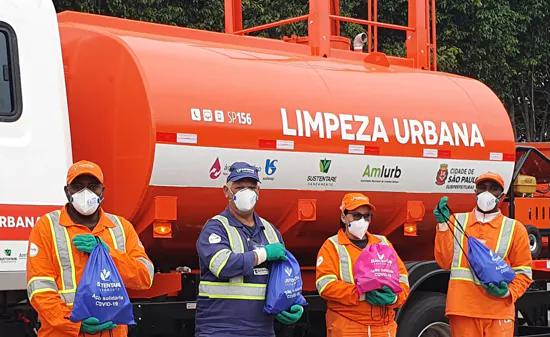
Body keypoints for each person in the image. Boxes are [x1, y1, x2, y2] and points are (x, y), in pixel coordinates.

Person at [26, 160, 155, 337]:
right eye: (77, 186)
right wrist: (72, 322)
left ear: (103, 191)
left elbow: (145, 277)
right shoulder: (47, 227)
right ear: (67, 191)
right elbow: (39, 288)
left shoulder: (121, 227)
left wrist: (107, 254)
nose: (85, 193)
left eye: (93, 186)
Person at [195, 162, 304, 337]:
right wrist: (263, 254)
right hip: (220, 330)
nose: (246, 192)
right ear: (226, 191)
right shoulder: (216, 228)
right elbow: (222, 265)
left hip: (262, 330)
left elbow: (283, 277)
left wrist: (292, 302)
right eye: (239, 187)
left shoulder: (270, 231)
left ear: (258, 191)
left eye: (251, 187)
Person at [434, 171, 533, 336]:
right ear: (475, 191)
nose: (487, 192)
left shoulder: (515, 229)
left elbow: (523, 271)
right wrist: (443, 226)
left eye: (493, 188)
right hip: (463, 310)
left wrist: (509, 292)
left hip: (498, 310)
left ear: (501, 195)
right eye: (482, 187)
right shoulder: (457, 221)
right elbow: (444, 262)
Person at [315, 193, 410, 337]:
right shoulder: (332, 245)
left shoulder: (383, 243)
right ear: (343, 217)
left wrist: (395, 298)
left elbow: (402, 278)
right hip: (348, 326)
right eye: (356, 215)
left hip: (383, 328)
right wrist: (361, 294)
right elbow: (325, 286)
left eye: (367, 216)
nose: (362, 220)